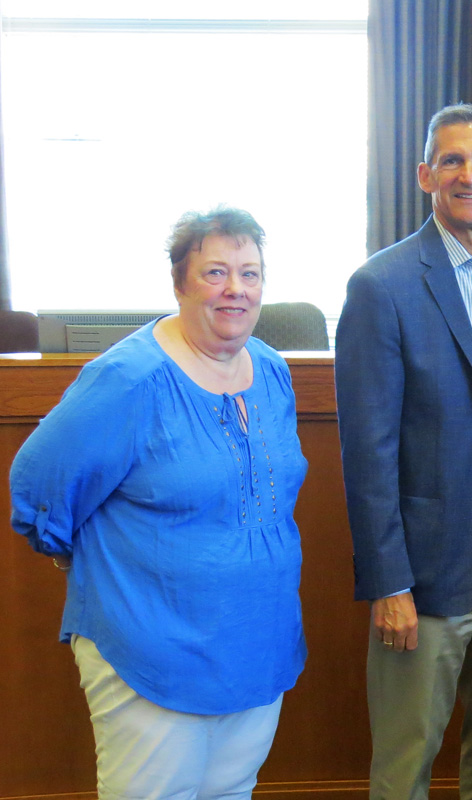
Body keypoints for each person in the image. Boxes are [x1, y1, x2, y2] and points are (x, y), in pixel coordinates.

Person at [9, 207, 308, 798]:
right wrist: (77, 559)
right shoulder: (128, 380)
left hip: (254, 644)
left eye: (250, 274)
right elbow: (38, 483)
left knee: (232, 791)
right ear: (179, 282)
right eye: (215, 272)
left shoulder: (272, 371)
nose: (235, 290)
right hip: (150, 645)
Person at [335, 104, 472, 800]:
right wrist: (388, 581)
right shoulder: (383, 286)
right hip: (425, 565)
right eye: (454, 161)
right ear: (425, 173)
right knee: (408, 755)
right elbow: (367, 452)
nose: (471, 175)